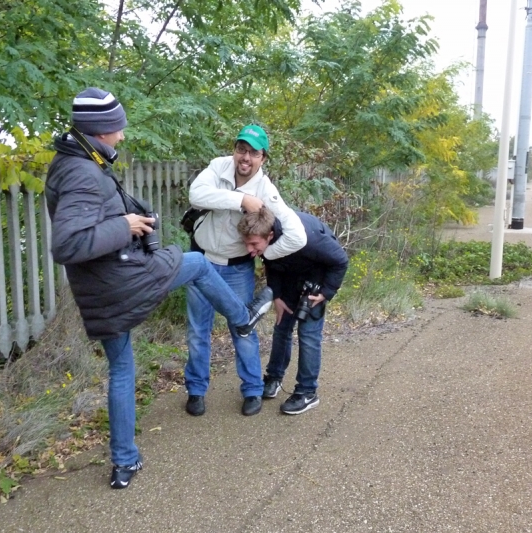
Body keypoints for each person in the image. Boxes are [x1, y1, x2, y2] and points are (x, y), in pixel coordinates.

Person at [45, 88, 273, 489]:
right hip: (121, 278)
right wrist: (126, 226)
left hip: (98, 289)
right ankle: (242, 318)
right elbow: (67, 244)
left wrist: (125, 216)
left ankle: (124, 462)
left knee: (121, 368)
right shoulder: (82, 172)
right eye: (118, 127)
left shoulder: (74, 161)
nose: (122, 135)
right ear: (100, 130)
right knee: (199, 263)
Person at [185, 125, 307, 417]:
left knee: (243, 329)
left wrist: (267, 253)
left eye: (254, 152)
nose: (246, 157)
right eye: (242, 149)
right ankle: (196, 390)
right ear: (234, 150)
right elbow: (196, 194)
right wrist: (241, 200)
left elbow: (297, 235)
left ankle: (252, 389)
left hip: (237, 270)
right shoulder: (218, 168)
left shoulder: (266, 190)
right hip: (201, 261)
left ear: (263, 158)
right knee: (197, 332)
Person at [237, 207, 348, 415]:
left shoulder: (307, 238)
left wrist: (326, 292)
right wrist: (277, 296)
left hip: (316, 279)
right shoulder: (267, 239)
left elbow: (340, 260)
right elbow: (272, 264)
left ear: (269, 235)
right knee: (281, 327)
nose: (250, 250)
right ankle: (274, 378)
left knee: (308, 334)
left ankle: (307, 391)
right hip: (289, 276)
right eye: (247, 244)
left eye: (254, 244)